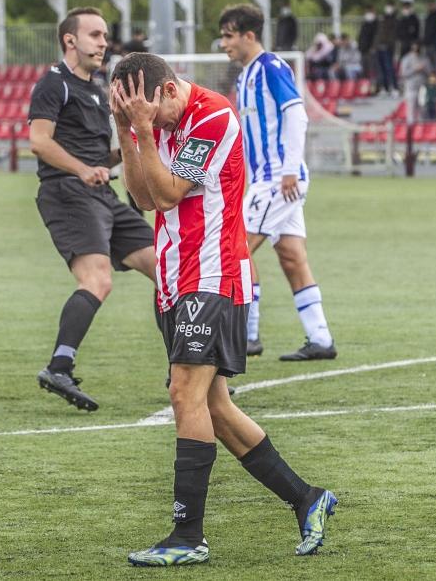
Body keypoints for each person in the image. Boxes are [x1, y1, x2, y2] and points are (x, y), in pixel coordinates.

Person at [109, 52, 336, 567]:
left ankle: (188, 536)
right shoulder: (152, 120)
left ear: (168, 90)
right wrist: (128, 131)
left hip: (212, 276)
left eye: (149, 108)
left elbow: (166, 195)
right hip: (174, 278)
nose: (150, 119)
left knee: (183, 392)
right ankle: (307, 498)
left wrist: (143, 126)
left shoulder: (210, 116)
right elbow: (141, 198)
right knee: (215, 407)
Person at [27, 7, 156, 412]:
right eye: (96, 35)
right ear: (70, 40)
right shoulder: (53, 85)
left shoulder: (99, 90)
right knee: (97, 280)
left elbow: (101, 155)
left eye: (105, 36)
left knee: (169, 269)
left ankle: (186, 368)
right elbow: (39, 141)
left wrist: (137, 143)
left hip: (102, 194)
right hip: (67, 192)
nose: (104, 43)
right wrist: (83, 170)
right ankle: (59, 366)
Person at [220, 4, 338, 361]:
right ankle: (320, 339)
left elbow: (297, 115)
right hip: (266, 179)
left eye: (228, 35)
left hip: (278, 180)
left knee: (236, 247)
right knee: (291, 256)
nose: (223, 43)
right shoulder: (244, 77)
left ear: (249, 35)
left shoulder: (270, 67)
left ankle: (248, 334)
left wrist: (288, 169)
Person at [399, 41, 432, 123]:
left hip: (422, 87)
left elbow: (430, 72)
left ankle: (422, 129)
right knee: (411, 109)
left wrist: (423, 69)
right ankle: (411, 128)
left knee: (423, 109)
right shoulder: (406, 59)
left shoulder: (425, 59)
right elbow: (403, 73)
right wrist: (414, 69)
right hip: (411, 87)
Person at [373, 3, 399, 95]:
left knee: (389, 68)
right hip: (379, 47)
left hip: (388, 47)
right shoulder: (382, 19)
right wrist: (376, 45)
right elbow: (378, 34)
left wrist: (387, 44)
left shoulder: (395, 20)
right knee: (381, 69)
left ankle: (395, 87)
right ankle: (385, 87)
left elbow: (393, 35)